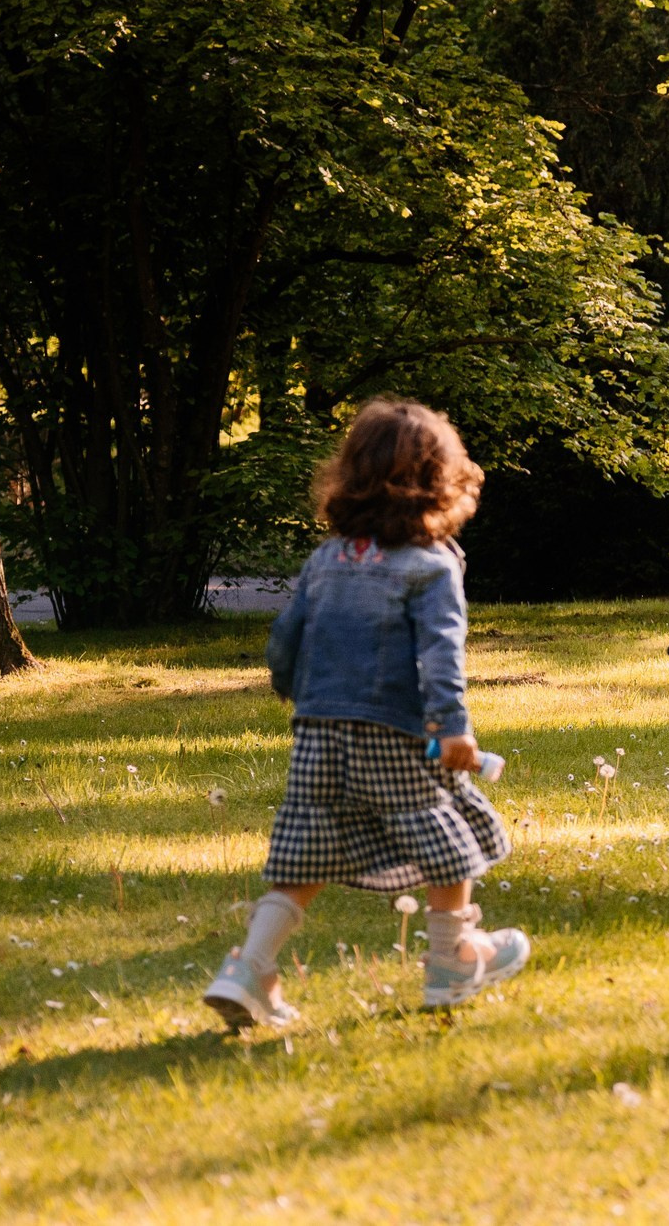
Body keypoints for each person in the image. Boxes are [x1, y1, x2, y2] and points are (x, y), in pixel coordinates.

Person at [205, 402, 526, 1029]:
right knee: (445, 839)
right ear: (442, 481)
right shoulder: (432, 565)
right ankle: (452, 959)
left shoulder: (328, 558)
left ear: (349, 477)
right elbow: (441, 653)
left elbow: (285, 638)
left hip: (318, 733)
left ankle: (247, 968)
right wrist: (452, 727)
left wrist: (297, 696)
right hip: (395, 735)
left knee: (306, 851)